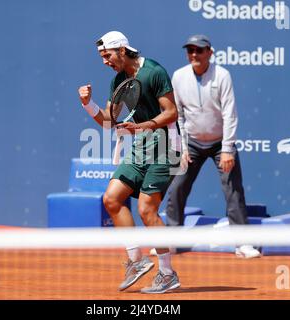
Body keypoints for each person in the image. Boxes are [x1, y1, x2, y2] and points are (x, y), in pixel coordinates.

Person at [78, 31, 182, 293]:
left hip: (165, 146)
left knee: (147, 210)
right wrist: (87, 104)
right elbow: (107, 122)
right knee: (112, 198)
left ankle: (168, 274)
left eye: (107, 55)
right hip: (141, 146)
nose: (104, 61)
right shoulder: (118, 82)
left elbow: (171, 113)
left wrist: (143, 126)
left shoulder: (154, 71)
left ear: (122, 51)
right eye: (101, 57)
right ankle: (136, 260)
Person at [166, 34, 261, 259]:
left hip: (220, 143)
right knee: (177, 187)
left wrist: (227, 149)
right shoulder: (179, 76)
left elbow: (229, 113)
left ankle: (243, 244)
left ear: (210, 52)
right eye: (190, 51)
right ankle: (169, 243)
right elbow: (176, 114)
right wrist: (181, 147)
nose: (194, 55)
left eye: (199, 50)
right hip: (191, 143)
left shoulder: (222, 75)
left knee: (233, 191)